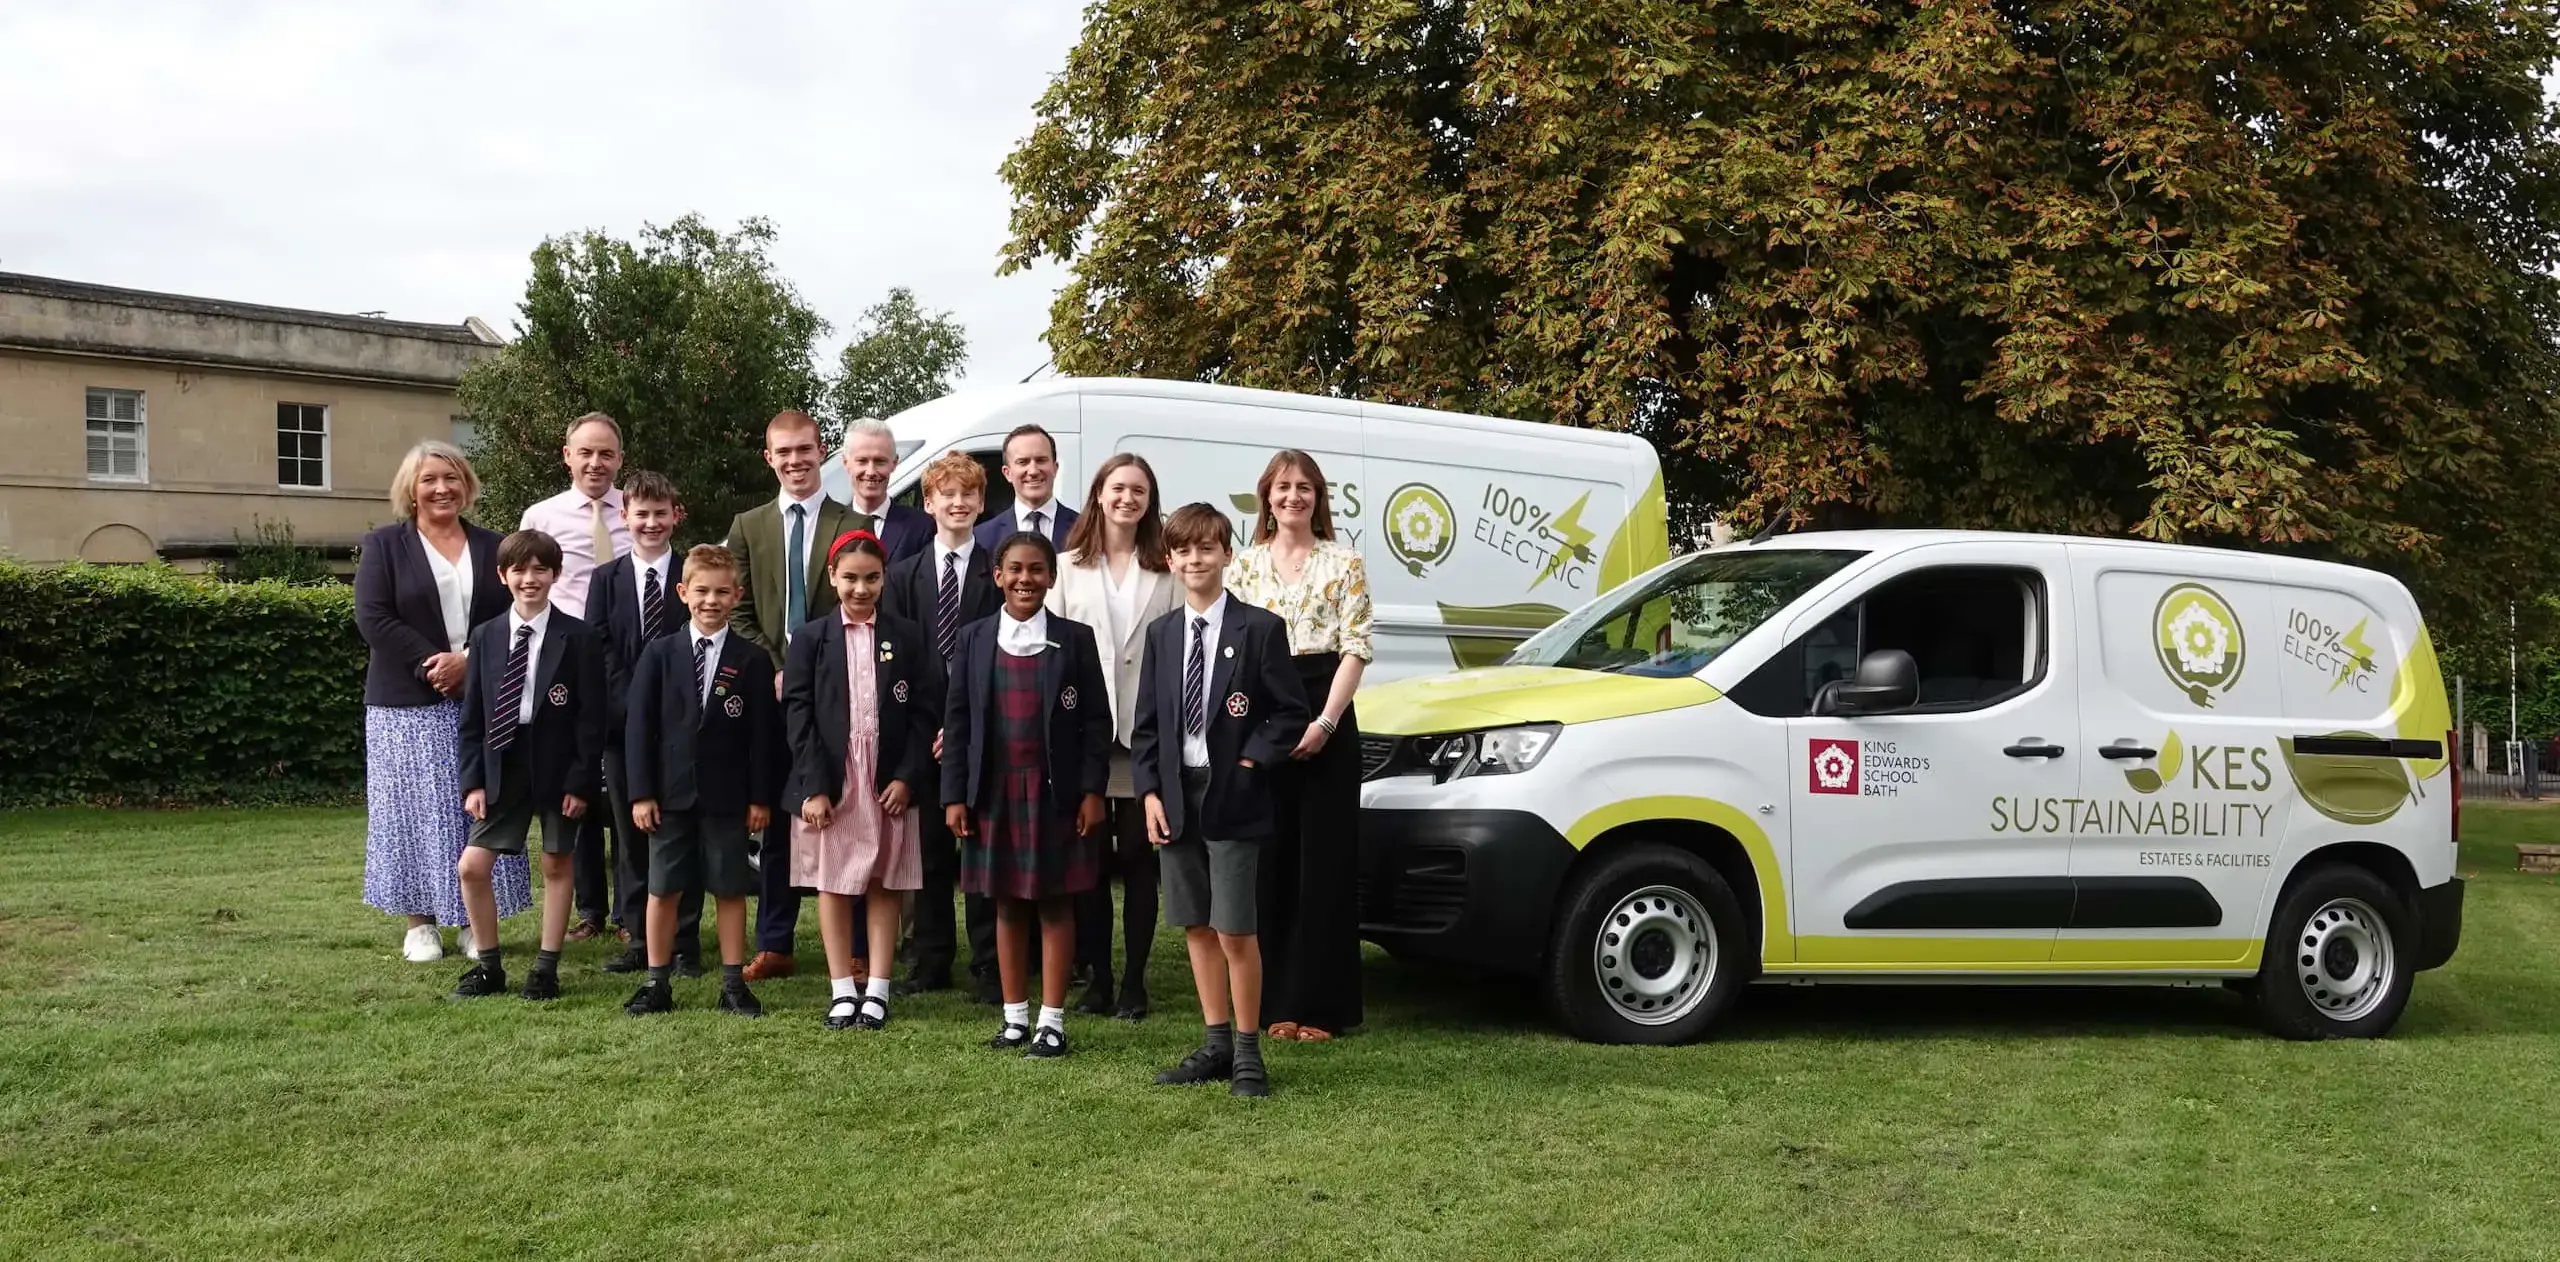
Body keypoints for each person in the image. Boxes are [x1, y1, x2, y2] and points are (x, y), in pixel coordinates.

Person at [1132, 503, 1308, 1097]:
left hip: (1234, 794)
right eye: (1183, 550)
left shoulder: (1258, 629)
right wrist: (1150, 791)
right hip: (1178, 797)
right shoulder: (1162, 634)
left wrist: (1251, 760)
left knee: (1235, 930)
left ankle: (1249, 1054)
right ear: (1170, 558)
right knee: (1197, 927)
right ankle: (1213, 1044)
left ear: (1227, 555)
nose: (1194, 559)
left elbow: (1289, 713)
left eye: (1206, 548)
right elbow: (1149, 726)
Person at [941, 532, 1111, 1058]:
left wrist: (1091, 791)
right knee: (1006, 906)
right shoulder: (973, 638)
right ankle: (1015, 1017)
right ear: (997, 576)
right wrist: (955, 795)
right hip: (993, 791)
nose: (1025, 579)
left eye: (1036, 570)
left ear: (1052, 578)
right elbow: (960, 719)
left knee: (1056, 905)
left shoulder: (1075, 639)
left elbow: (1096, 722)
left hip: (1053, 791)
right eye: (1014, 569)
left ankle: (1052, 1022)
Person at [356, 440, 525, 962]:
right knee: (413, 814)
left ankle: (478, 925)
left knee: (477, 805)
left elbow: (517, 612)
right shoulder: (384, 545)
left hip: (481, 695)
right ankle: (420, 924)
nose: (441, 488)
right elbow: (373, 617)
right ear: (411, 489)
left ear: (467, 486)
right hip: (404, 703)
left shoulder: (494, 546)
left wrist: (471, 660)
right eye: (430, 479)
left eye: (452, 478)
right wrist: (436, 663)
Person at [1228, 450, 1374, 1043]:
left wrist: (1326, 723)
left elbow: (1356, 647)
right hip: (1266, 711)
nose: (1293, 496)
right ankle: (1273, 1005)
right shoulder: (1244, 566)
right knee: (1272, 864)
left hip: (1326, 709)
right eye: (1283, 487)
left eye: (1305, 487)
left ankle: (1321, 1008)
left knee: (1325, 866)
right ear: (1266, 497)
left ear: (1319, 498)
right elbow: (1234, 651)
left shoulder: (1345, 562)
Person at [785, 531, 943, 1030]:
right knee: (834, 883)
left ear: (884, 579)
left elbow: (924, 712)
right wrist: (812, 784)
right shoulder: (810, 638)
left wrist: (907, 777)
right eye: (850, 578)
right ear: (832, 577)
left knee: (883, 881)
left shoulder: (908, 635)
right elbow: (798, 712)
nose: (860, 589)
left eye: (871, 578)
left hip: (886, 779)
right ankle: (840, 988)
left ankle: (877, 988)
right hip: (833, 777)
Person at [725, 409, 857, 983]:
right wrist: (778, 669)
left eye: (805, 449)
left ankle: (849, 945)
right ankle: (775, 942)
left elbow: (857, 604)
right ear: (769, 457)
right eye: (784, 452)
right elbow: (738, 607)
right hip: (770, 693)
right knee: (778, 821)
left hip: (835, 695)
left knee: (843, 818)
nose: (795, 461)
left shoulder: (853, 520)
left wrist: (807, 672)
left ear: (820, 450)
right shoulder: (748, 525)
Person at [450, 530, 608, 1000]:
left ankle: (545, 968)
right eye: (519, 569)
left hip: (560, 767)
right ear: (503, 576)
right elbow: (473, 716)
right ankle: (489, 967)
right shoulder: (486, 636)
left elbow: (591, 718)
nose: (530, 578)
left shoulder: (578, 636)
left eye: (540, 569)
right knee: (472, 867)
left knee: (557, 862)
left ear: (555, 575)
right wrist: (472, 781)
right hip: (504, 762)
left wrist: (581, 781)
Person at [624, 544, 781, 1018]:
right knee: (663, 889)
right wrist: (641, 792)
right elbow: (639, 727)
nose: (710, 600)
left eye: (721, 592)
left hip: (728, 798)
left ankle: (733, 983)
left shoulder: (751, 660)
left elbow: (762, 737)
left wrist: (759, 797)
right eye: (701, 591)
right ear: (682, 592)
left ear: (737, 595)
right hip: (669, 797)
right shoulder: (660, 654)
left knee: (730, 888)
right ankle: (657, 982)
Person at [1046, 453, 1177, 1019]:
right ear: (1099, 493)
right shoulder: (1066, 566)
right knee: (1091, 865)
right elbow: (1050, 650)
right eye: (1118, 488)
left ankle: (1135, 982)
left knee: (1142, 865)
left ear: (1150, 501)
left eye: (1140, 491)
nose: (1128, 498)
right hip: (1086, 737)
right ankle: (1098, 977)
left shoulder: (1168, 569)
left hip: (1147, 735)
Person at [881, 451, 1004, 1002]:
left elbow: (1004, 652)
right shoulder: (903, 576)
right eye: (946, 495)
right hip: (922, 729)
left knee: (977, 850)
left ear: (981, 503)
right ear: (927, 503)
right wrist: (931, 726)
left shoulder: (998, 569)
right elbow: (904, 658)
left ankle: (989, 964)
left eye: (968, 495)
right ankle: (930, 958)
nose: (958, 503)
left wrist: (967, 726)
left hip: (982, 731)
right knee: (927, 852)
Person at [517, 412, 629, 943]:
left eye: (606, 454)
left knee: (628, 791)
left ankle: (631, 911)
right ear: (567, 456)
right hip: (562, 666)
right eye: (585, 452)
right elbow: (523, 588)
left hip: (625, 666)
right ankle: (589, 910)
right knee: (575, 790)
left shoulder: (637, 511)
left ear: (619, 460)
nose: (595, 463)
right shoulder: (541, 515)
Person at [590, 471, 705, 977]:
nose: (651, 523)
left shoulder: (692, 575)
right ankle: (640, 938)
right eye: (642, 514)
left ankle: (684, 943)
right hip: (622, 729)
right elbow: (600, 647)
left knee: (685, 835)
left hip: (685, 731)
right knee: (630, 836)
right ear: (625, 517)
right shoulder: (605, 580)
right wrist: (634, 704)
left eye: (661, 513)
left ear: (675, 517)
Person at [971, 424, 1079, 553]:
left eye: (1041, 460)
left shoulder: (1086, 530)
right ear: (1007, 473)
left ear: (1055, 468)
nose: (1033, 471)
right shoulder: (982, 538)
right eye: (1023, 462)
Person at [838, 417, 931, 562]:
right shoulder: (830, 528)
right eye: (862, 461)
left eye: (880, 461)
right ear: (845, 463)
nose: (871, 471)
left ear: (894, 463)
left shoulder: (921, 528)